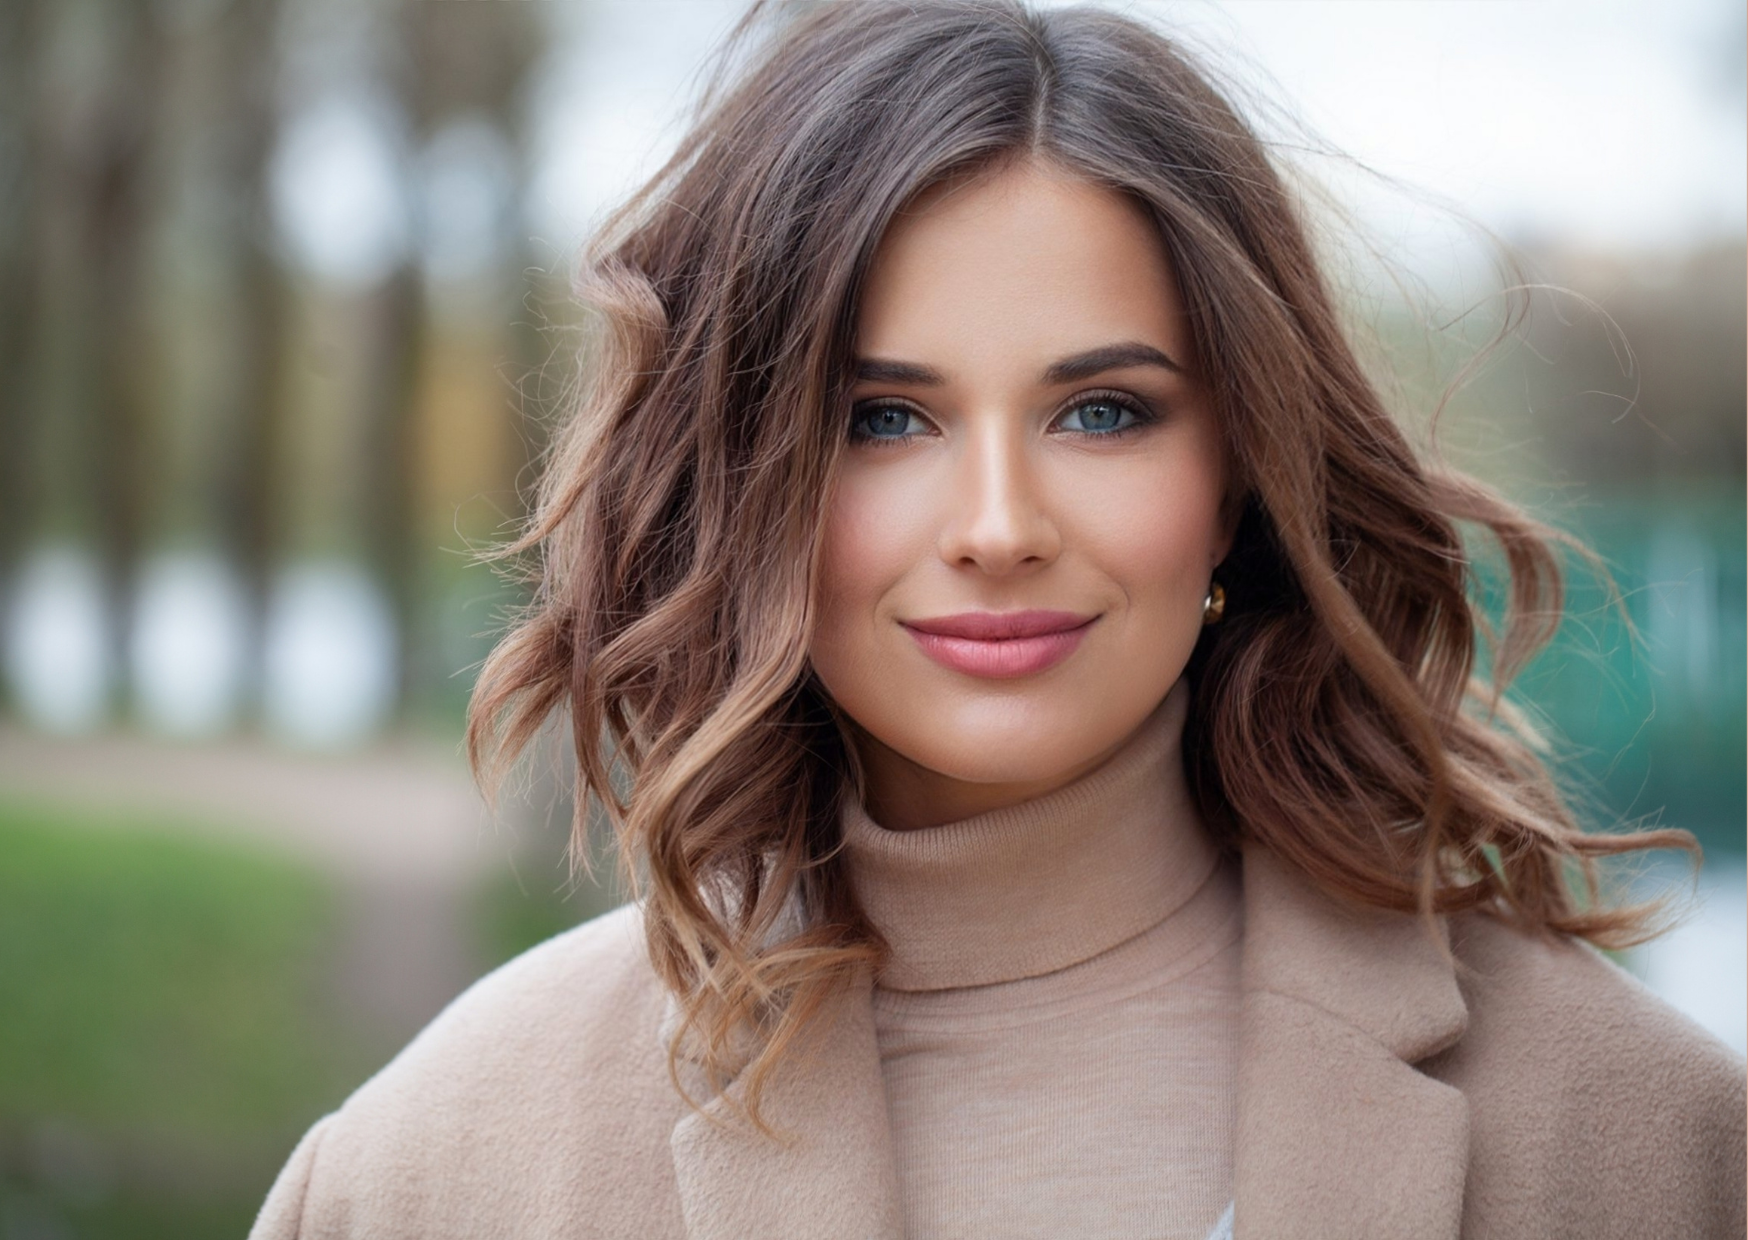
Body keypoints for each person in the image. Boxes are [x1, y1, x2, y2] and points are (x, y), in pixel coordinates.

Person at [250, 3, 1746, 1237]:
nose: (998, 526)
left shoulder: (1647, 1146)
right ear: (741, 478)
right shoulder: (432, 1173)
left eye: (1103, 411)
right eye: (885, 419)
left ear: (1234, 480)